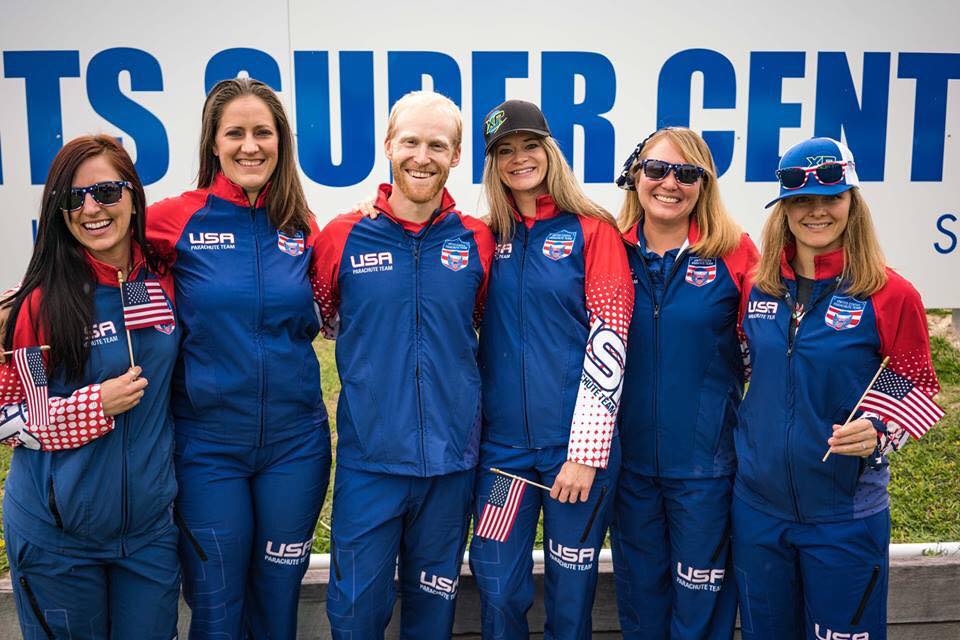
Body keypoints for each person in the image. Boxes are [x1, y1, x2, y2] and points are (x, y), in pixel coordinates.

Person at [733, 137, 943, 640]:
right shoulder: (758, 286)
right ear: (784, 209)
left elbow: (918, 382)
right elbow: (746, 367)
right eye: (802, 199)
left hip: (844, 515)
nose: (817, 211)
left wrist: (880, 428)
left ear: (853, 202)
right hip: (758, 511)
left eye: (832, 197)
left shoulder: (890, 293)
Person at [146, 77, 331, 639]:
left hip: (295, 446)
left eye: (263, 133)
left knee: (278, 604)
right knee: (217, 606)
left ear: (281, 142)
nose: (250, 146)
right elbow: (92, 258)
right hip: (208, 448)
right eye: (235, 133)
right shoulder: (172, 220)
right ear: (213, 144)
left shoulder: (301, 227)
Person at [312, 90, 494, 639]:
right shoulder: (341, 236)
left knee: (432, 616)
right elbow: (319, 318)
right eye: (410, 141)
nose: (422, 155)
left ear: (457, 155)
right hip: (371, 462)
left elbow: (482, 321)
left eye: (437, 145)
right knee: (356, 615)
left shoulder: (478, 240)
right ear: (389, 146)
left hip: (450, 463)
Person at [0, 135, 180, 639]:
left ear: (133, 195)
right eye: (74, 197)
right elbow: (10, 419)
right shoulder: (35, 305)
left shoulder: (163, 278)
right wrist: (93, 405)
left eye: (106, 191)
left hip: (147, 537)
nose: (92, 208)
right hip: (58, 541)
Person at [469, 99, 633, 638]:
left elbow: (610, 342)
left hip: (576, 459)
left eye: (529, 145)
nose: (519, 159)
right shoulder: (484, 235)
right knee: (496, 587)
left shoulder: (592, 231)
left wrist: (584, 455)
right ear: (493, 163)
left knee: (570, 599)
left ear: (550, 150)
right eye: (504, 151)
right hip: (504, 457)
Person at [609, 127, 757, 639]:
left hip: (705, 471)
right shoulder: (608, 247)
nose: (670, 182)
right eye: (656, 169)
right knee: (642, 610)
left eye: (687, 173)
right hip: (628, 471)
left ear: (704, 184)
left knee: (702, 617)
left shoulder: (736, 253)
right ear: (635, 176)